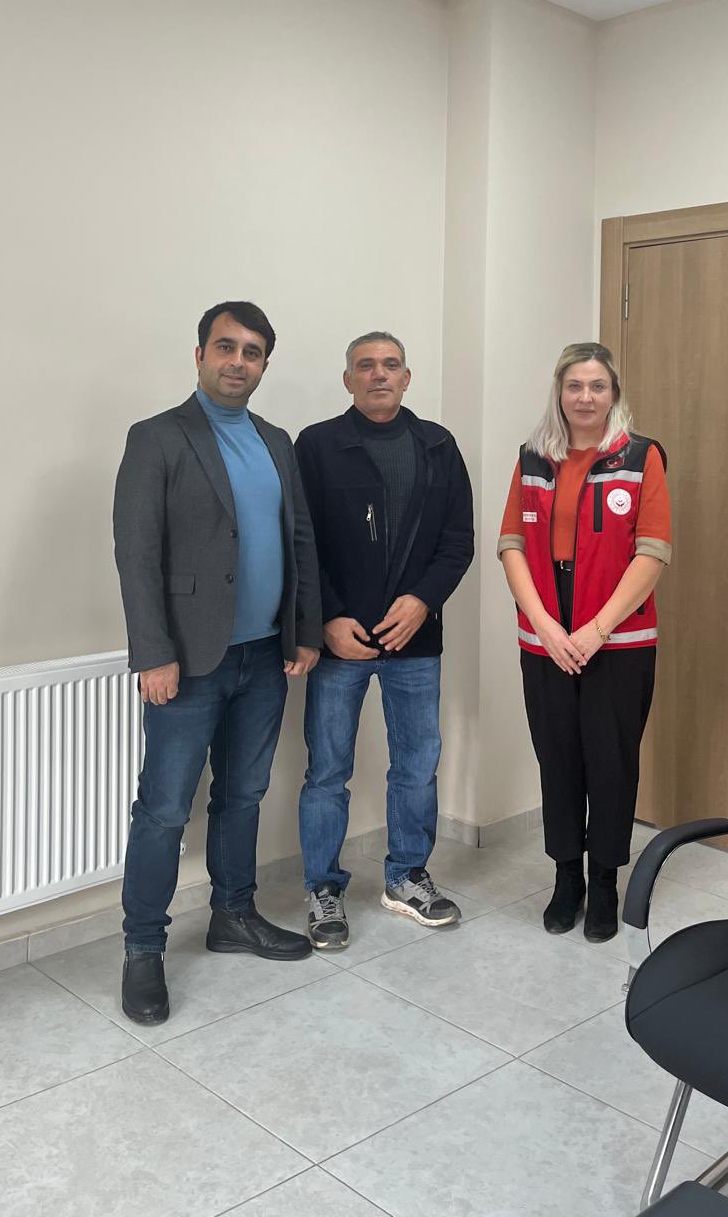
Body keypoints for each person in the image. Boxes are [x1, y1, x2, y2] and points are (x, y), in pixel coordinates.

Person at [113, 300, 321, 1024]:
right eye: (226, 347)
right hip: (189, 662)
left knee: (243, 794)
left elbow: (299, 539)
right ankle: (143, 948)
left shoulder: (276, 441)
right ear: (200, 354)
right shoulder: (157, 437)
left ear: (264, 364)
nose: (238, 361)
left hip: (265, 657)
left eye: (252, 351)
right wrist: (153, 654)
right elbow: (136, 554)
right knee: (164, 808)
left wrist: (303, 631)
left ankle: (234, 916)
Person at [294, 331, 474, 950]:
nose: (379, 375)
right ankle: (323, 888)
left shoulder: (438, 446)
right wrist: (327, 618)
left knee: (417, 765)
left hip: (415, 641)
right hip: (340, 641)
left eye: (390, 365)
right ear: (348, 380)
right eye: (365, 366)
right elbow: (302, 542)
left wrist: (422, 601)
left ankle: (406, 877)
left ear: (407, 377)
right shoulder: (317, 445)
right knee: (327, 771)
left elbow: (457, 541)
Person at [497, 341, 670, 943]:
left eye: (597, 386)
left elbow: (652, 553)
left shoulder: (641, 456)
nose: (586, 397)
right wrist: (545, 626)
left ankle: (604, 881)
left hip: (619, 642)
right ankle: (566, 877)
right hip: (545, 639)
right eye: (575, 386)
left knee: (611, 764)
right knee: (559, 762)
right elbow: (512, 545)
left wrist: (596, 631)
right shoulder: (533, 457)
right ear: (560, 392)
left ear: (613, 392)